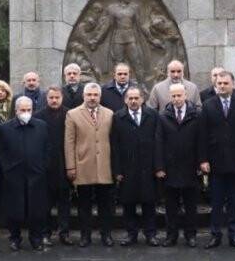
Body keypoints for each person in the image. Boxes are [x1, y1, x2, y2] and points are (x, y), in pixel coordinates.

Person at [198, 71, 235, 249]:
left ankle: (234, 235)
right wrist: (203, 160)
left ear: (232, 84)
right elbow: (202, 135)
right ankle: (215, 235)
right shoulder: (207, 105)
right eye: (219, 83)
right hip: (215, 162)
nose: (222, 86)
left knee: (234, 201)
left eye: (225, 83)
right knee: (215, 202)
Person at [65, 82, 117, 247]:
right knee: (84, 205)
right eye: (89, 95)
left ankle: (106, 235)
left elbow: (114, 141)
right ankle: (85, 236)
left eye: (95, 95)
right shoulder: (72, 114)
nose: (92, 98)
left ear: (100, 97)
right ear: (83, 96)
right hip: (83, 165)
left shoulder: (109, 114)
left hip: (105, 166)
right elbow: (69, 142)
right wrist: (70, 166)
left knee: (106, 205)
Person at [0, 97, 51, 251]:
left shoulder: (41, 126)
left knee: (37, 209)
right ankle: (15, 238)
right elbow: (0, 151)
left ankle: (36, 238)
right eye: (23, 110)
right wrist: (7, 168)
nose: (26, 113)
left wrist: (42, 167)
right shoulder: (5, 128)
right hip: (13, 176)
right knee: (14, 209)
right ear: (16, 110)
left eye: (29, 110)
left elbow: (48, 148)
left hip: (36, 175)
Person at [114, 88, 164, 247]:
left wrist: (158, 166)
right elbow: (114, 146)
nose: (133, 101)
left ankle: (150, 234)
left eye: (136, 98)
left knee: (149, 203)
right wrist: (117, 170)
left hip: (148, 167)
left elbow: (158, 142)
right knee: (128, 203)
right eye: (130, 98)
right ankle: (131, 234)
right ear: (125, 100)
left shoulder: (153, 115)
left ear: (143, 99)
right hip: (127, 168)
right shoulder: (118, 117)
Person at [158, 83, 201, 247]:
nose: (176, 99)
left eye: (179, 95)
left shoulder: (196, 115)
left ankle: (191, 235)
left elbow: (200, 141)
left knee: (191, 205)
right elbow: (159, 142)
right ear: (170, 97)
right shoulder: (163, 116)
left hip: (190, 167)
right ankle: (171, 235)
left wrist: (200, 163)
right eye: (173, 96)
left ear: (185, 95)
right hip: (170, 168)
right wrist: (160, 167)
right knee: (171, 206)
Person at [36, 87, 73, 246]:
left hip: (65, 164)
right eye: (51, 97)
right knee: (45, 203)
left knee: (64, 203)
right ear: (47, 98)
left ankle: (64, 233)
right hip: (46, 166)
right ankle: (45, 233)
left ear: (62, 98)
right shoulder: (38, 116)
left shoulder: (70, 115)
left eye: (57, 97)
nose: (54, 100)